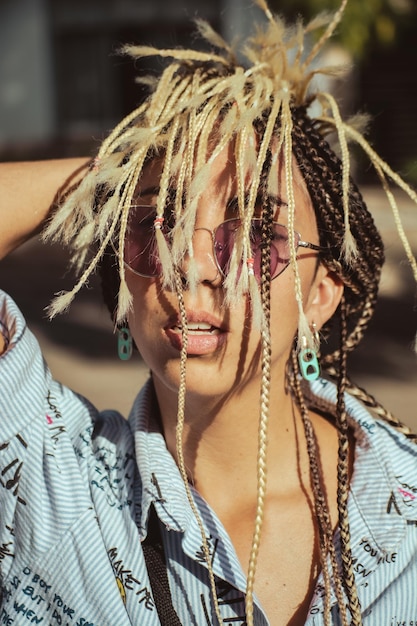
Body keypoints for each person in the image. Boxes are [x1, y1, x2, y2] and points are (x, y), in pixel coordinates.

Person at [1, 1, 416, 624]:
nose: (189, 268)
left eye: (254, 234)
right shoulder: (48, 483)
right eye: (154, 226)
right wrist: (114, 172)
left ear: (322, 294)